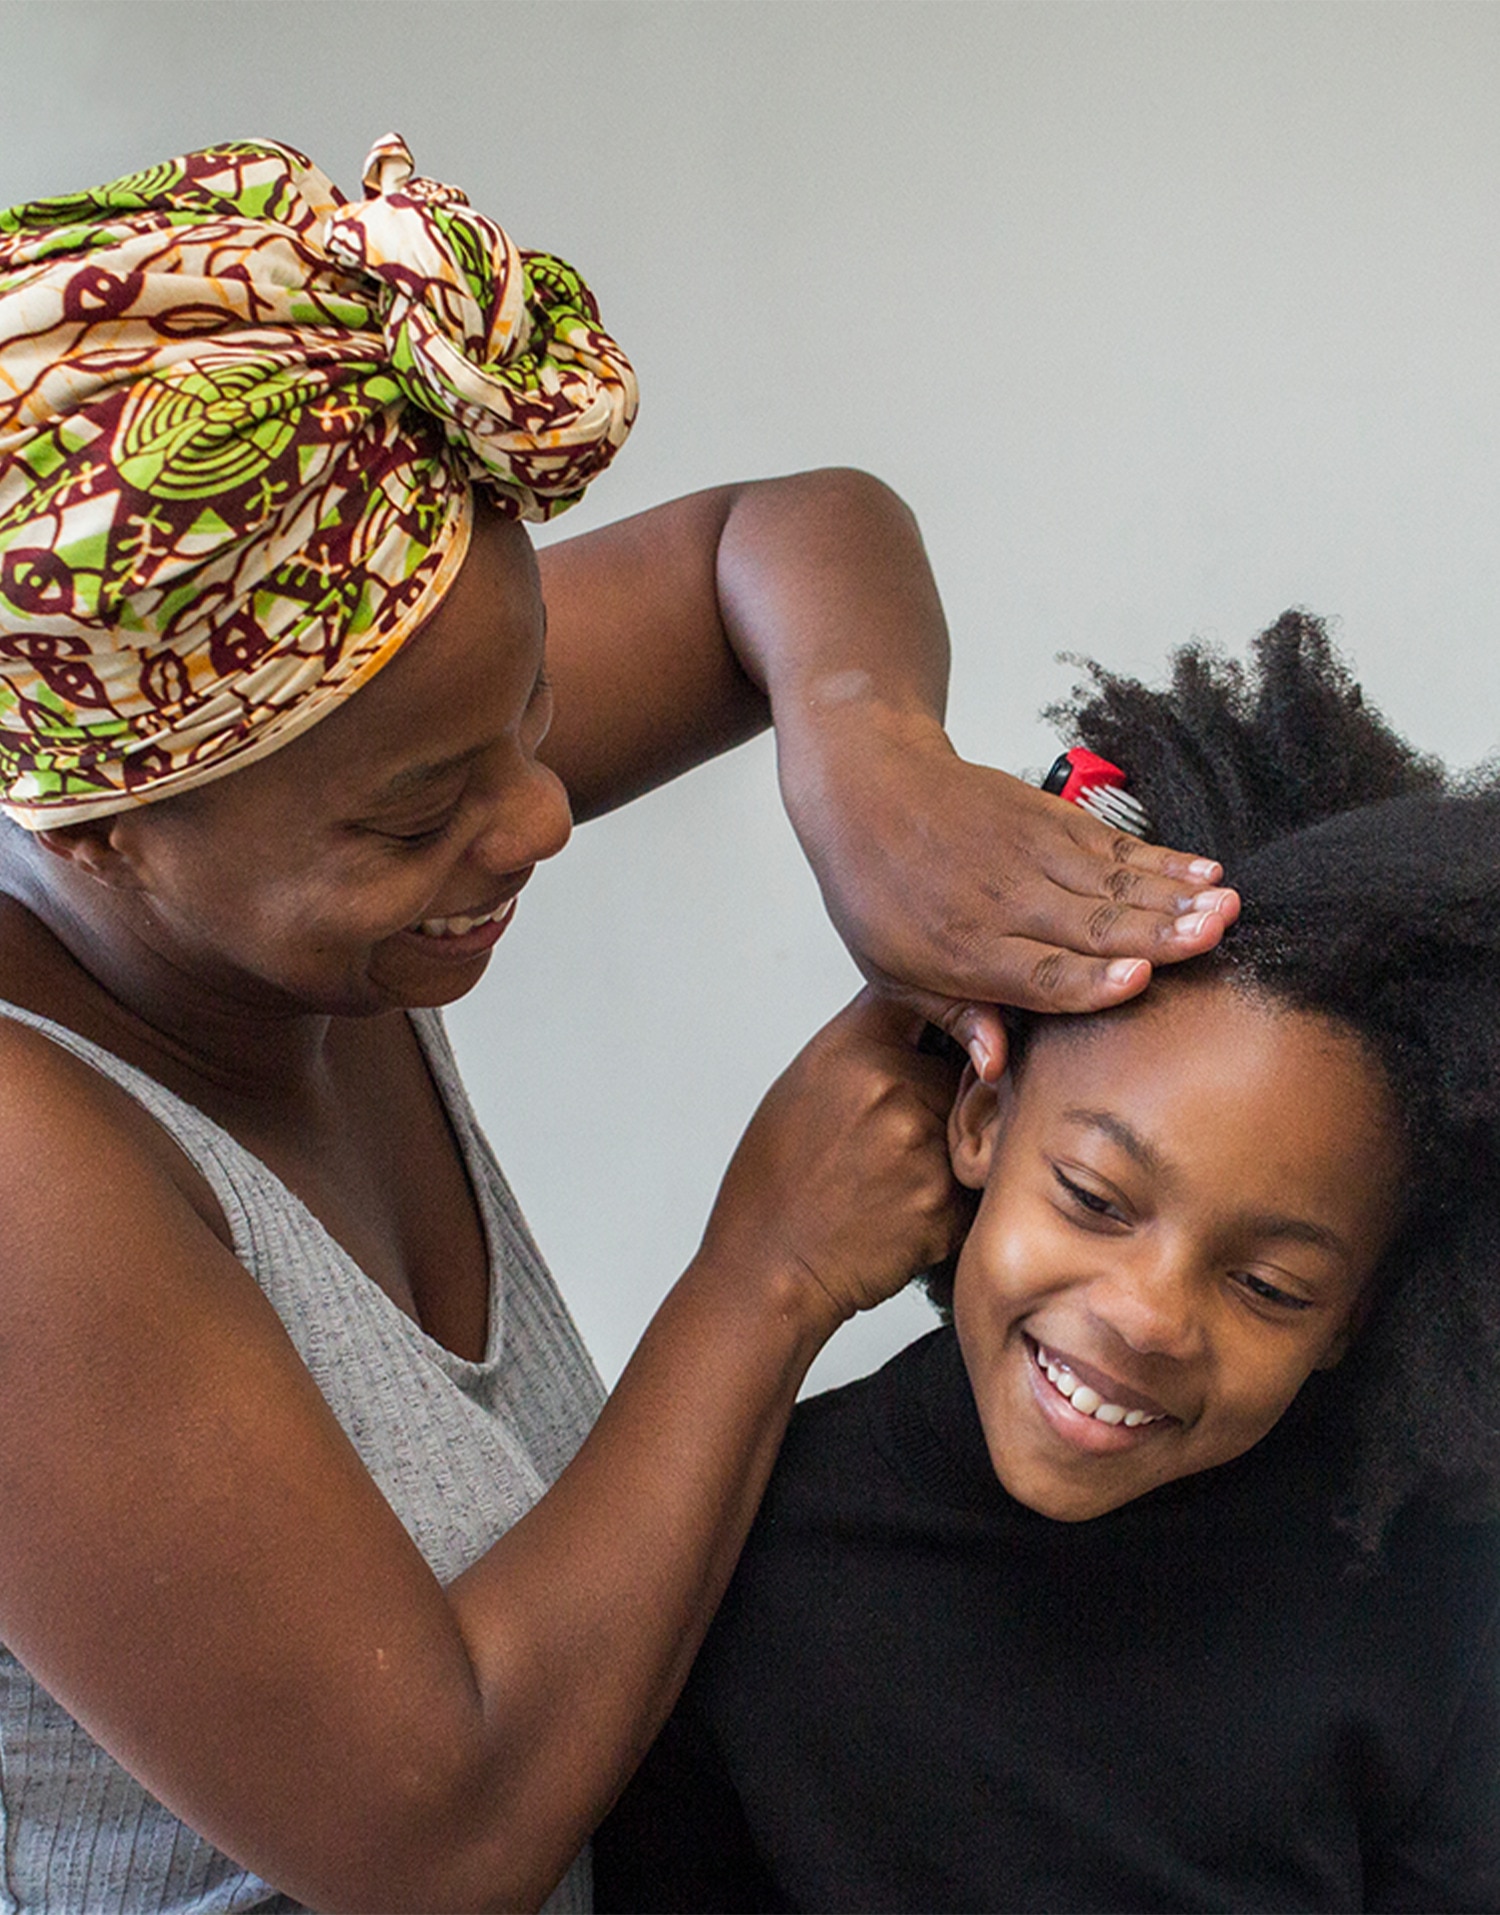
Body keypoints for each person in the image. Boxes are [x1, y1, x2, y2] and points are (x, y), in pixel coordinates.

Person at [0, 134, 1239, 1915]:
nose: (535, 819)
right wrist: (767, 1273)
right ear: (112, 834)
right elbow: (438, 1839)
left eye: (532, 712)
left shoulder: (338, 696)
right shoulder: (29, 1172)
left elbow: (781, 530)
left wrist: (865, 762)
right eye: (417, 818)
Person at [596, 612, 1500, 1914]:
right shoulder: (742, 1548)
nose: (1148, 1316)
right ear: (980, 1117)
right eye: (1093, 1196)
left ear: (1356, 1314)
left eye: (1271, 1287)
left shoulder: (1434, 1595)